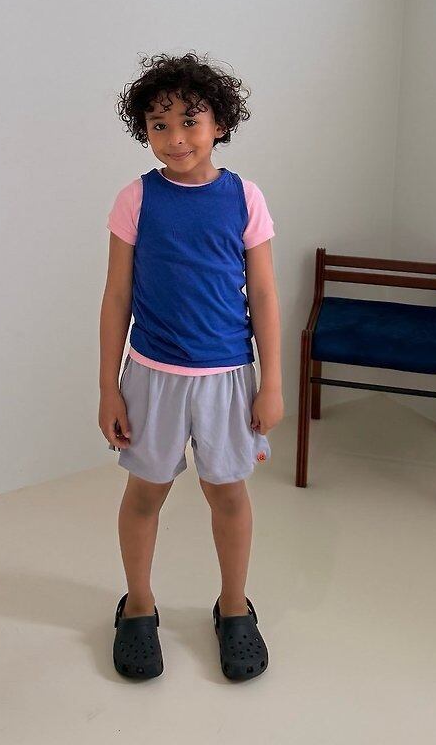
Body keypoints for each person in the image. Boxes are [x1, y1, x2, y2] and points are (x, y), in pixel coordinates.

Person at [99, 51, 284, 681]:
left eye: (189, 121)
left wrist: (271, 383)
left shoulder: (244, 198)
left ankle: (234, 607)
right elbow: (116, 297)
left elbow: (264, 295)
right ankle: (138, 606)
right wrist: (109, 390)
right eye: (159, 125)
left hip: (227, 378)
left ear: (219, 124)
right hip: (151, 376)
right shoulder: (137, 199)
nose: (175, 138)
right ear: (145, 131)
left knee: (228, 494)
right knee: (144, 495)